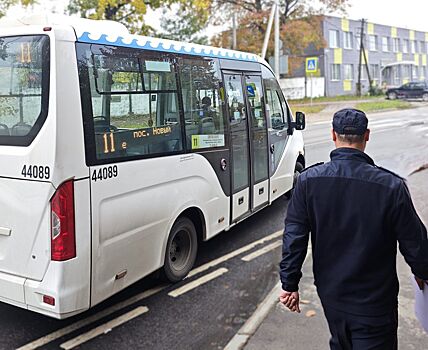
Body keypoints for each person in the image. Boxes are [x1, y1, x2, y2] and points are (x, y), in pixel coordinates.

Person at [279, 108, 428, 349]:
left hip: (332, 297)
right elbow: (416, 245)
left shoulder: (308, 181)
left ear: (332, 135)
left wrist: (289, 284)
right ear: (366, 135)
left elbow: (294, 236)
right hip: (375, 304)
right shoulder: (391, 186)